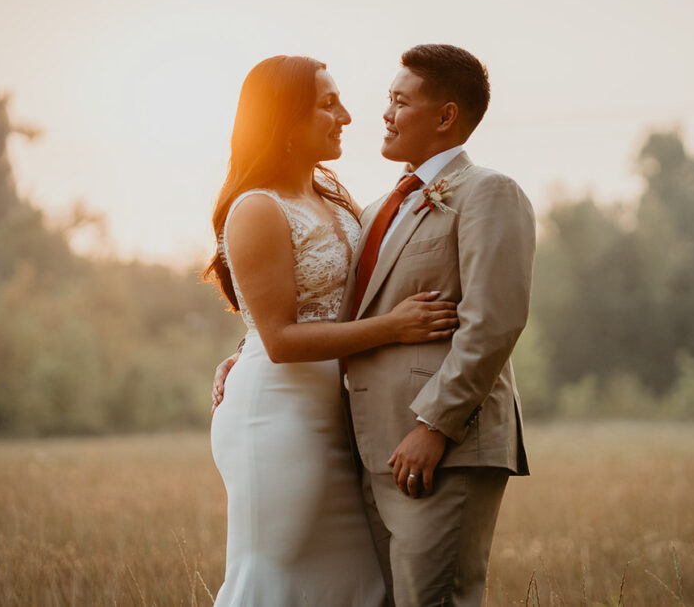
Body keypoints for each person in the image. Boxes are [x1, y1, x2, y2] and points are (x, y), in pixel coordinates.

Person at [215, 44, 536, 606]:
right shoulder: (370, 206)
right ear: (285, 119)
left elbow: (494, 321)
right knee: (298, 575)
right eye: (330, 104)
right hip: (315, 424)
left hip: (411, 435)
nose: (360, 116)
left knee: (369, 590)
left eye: (397, 100)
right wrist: (251, 352)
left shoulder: (469, 193)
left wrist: (434, 424)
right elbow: (293, 325)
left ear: (444, 117)